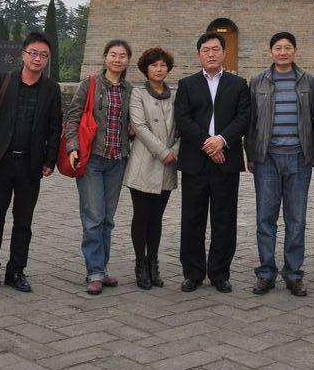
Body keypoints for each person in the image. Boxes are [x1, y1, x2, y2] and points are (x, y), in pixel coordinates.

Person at [0, 31, 62, 294]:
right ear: (23, 54)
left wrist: (49, 159)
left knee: (23, 222)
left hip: (30, 165)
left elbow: (55, 127)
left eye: (43, 55)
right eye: (33, 53)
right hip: (0, 162)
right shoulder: (4, 81)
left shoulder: (51, 89)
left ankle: (16, 271)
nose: (38, 59)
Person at [174, 31, 251, 293]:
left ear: (224, 53)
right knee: (192, 220)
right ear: (198, 55)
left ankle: (220, 273)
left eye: (216, 49)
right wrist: (208, 143)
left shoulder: (238, 84)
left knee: (224, 220)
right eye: (205, 50)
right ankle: (193, 273)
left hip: (226, 161)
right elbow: (183, 119)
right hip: (195, 162)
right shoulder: (187, 84)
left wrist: (222, 140)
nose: (211, 54)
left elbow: (244, 117)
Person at [246, 31, 314, 297]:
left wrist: (313, 152)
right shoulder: (258, 81)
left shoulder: (308, 81)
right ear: (270, 52)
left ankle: (293, 274)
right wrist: (251, 154)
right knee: (265, 218)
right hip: (267, 158)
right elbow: (251, 121)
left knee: (296, 219)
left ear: (295, 51)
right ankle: (266, 273)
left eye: (288, 47)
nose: (283, 52)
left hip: (299, 157)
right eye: (278, 48)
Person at [66, 39, 133, 295]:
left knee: (107, 218)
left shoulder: (129, 89)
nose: (117, 59)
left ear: (128, 61)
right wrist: (73, 146)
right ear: (105, 57)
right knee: (93, 217)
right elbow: (73, 116)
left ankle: (102, 269)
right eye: (113, 54)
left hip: (117, 160)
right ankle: (94, 271)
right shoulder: (90, 84)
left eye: (122, 56)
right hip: (92, 158)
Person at [123, 47, 179, 290]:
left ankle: (153, 263)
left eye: (163, 65)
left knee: (157, 217)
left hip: (168, 163)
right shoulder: (137, 93)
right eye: (154, 65)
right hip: (144, 162)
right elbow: (139, 125)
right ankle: (140, 264)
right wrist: (164, 152)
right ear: (146, 69)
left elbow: (182, 126)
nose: (159, 69)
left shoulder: (176, 95)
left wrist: (176, 149)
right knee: (142, 216)